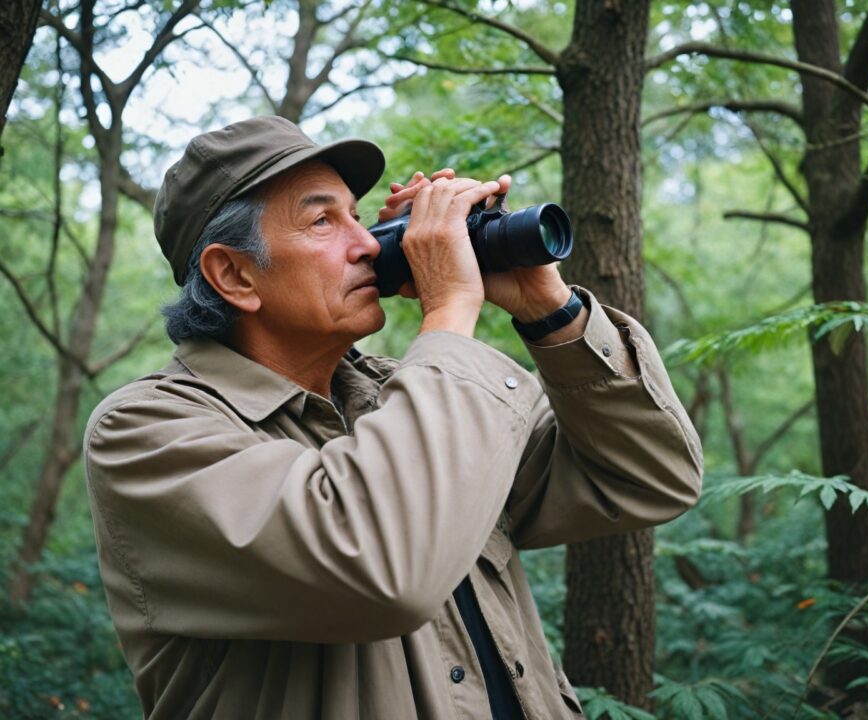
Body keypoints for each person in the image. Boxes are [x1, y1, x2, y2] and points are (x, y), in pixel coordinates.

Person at [83, 115, 703, 720]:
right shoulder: (145, 432)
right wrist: (452, 307)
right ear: (235, 275)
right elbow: (384, 572)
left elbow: (650, 477)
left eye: (358, 215)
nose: (365, 243)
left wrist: (546, 305)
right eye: (323, 220)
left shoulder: (396, 394)